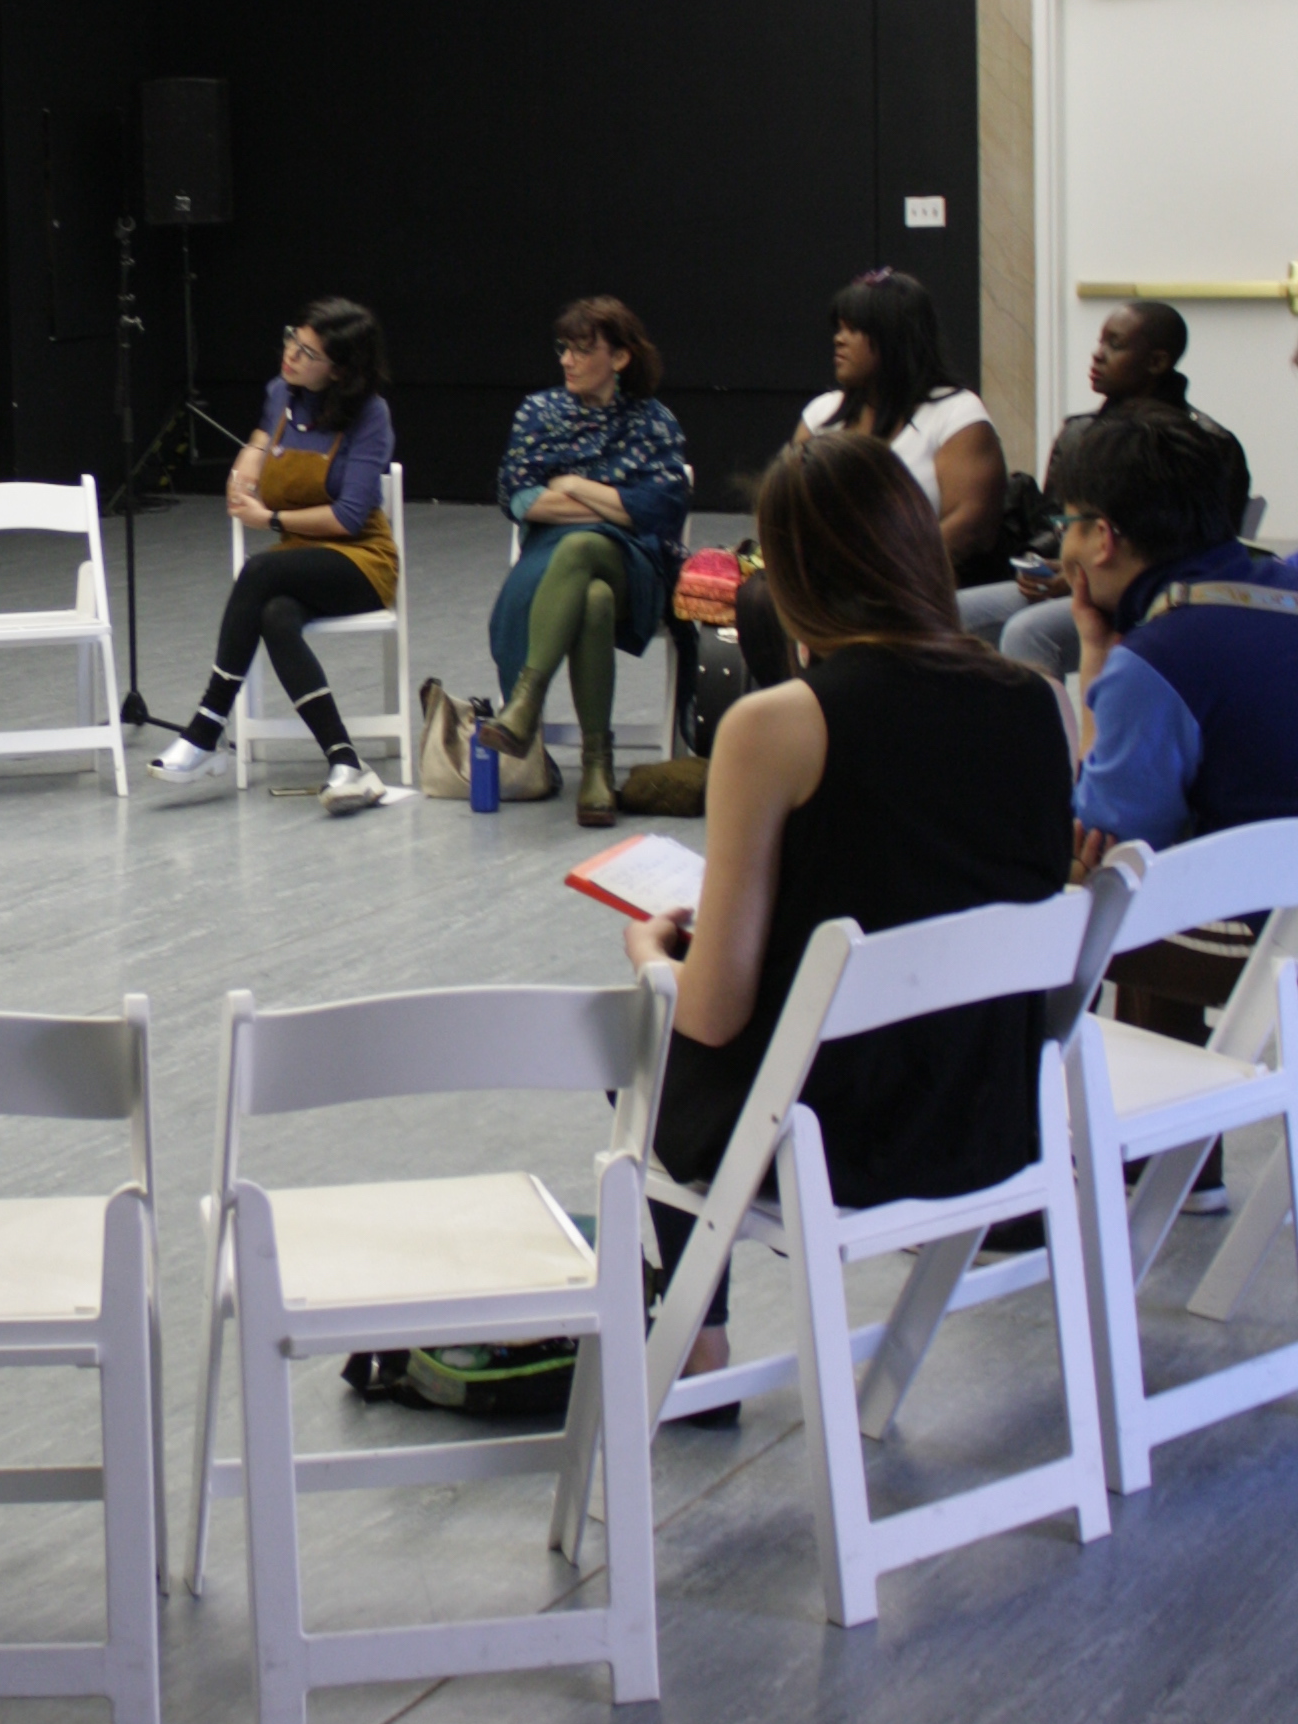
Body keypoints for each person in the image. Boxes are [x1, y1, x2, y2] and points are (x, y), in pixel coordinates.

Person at [627, 432, 1071, 1399]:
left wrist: (653, 957)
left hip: (836, 1137)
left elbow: (713, 1016)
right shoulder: (1039, 701)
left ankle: (692, 1343)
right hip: (994, 1112)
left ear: (787, 578)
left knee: (648, 1043)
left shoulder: (777, 723)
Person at [1061, 408, 1298, 1214]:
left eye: (1067, 521)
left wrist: (1095, 650)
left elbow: (1109, 830)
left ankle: (1050, 1160)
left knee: (1078, 901)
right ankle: (1183, 1163)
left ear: (1102, 539)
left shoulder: (1157, 662)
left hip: (1272, 940)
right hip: (1282, 909)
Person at [150, 298, 400, 815]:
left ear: (340, 370)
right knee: (275, 614)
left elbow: (350, 517)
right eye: (292, 339)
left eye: (308, 352)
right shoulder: (280, 392)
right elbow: (264, 439)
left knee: (259, 568)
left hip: (359, 561)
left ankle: (207, 725)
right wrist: (243, 475)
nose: (291, 354)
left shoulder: (369, 414)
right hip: (299, 559)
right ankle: (347, 761)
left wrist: (270, 519)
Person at [478, 298, 691, 827]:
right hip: (555, 560)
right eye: (563, 349)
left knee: (583, 549)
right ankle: (597, 769)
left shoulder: (653, 421)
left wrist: (571, 484)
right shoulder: (538, 412)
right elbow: (520, 498)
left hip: (634, 566)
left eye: (582, 350)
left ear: (619, 358)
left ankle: (525, 703)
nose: (568, 361)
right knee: (591, 597)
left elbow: (660, 508)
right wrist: (611, 502)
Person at [736, 270, 1009, 677]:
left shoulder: (956, 413)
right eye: (838, 328)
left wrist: (874, 574)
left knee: (848, 611)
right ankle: (792, 716)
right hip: (825, 581)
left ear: (894, 338)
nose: (838, 339)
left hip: (911, 584)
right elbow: (782, 504)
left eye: (853, 330)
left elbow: (971, 526)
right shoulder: (822, 414)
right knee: (757, 599)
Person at [958, 302, 1252, 678]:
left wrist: (1086, 580)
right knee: (949, 612)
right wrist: (1041, 566)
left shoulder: (1207, 444)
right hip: (1076, 579)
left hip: (1154, 595)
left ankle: (1043, 735)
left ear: (1157, 362)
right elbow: (1057, 526)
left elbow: (1205, 548)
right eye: (1100, 341)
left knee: (1029, 632)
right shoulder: (1080, 433)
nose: (1097, 354)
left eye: (1115, 344)